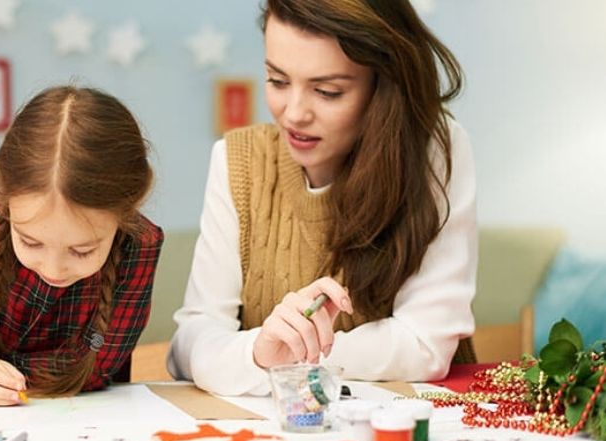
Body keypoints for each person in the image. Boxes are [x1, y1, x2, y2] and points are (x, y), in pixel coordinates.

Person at [168, 0, 477, 395]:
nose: (294, 113)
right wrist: (261, 353)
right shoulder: (238, 161)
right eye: (277, 81)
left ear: (382, 86)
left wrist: (288, 357)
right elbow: (188, 345)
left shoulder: (435, 150)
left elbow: (425, 344)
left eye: (327, 91)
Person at [0, 86, 163, 405]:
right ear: (6, 201)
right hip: (0, 417)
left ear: (125, 214)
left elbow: (101, 366)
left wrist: (8, 373)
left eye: (82, 251)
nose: (53, 269)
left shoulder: (140, 244)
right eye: (31, 242)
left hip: (95, 416)